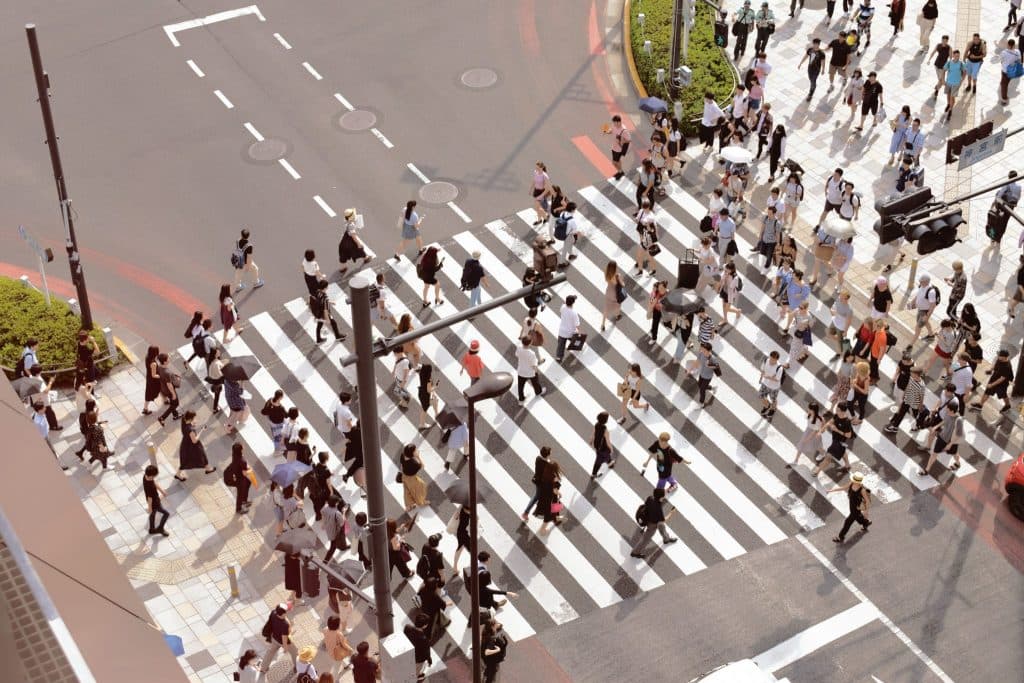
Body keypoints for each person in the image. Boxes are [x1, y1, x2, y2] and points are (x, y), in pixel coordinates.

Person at [630, 488, 678, 558]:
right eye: (664, 495)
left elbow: (646, 505)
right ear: (661, 497)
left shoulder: (650, 498)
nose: (664, 495)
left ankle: (666, 539)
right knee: (645, 539)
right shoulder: (658, 508)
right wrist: (671, 513)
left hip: (648, 518)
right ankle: (635, 552)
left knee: (662, 527)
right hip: (652, 524)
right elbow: (663, 520)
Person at [830, 472, 872, 543]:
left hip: (856, 508)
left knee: (848, 522)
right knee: (858, 518)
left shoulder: (862, 490)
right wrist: (833, 490)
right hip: (852, 507)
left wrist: (867, 511)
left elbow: (867, 501)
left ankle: (840, 537)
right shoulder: (851, 483)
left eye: (855, 481)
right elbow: (843, 487)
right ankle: (866, 523)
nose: (854, 481)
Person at [971, 349, 1015, 414]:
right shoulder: (999, 359)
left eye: (999, 355)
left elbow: (1002, 379)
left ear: (1004, 357)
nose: (998, 356)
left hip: (1002, 384)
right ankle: (980, 405)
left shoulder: (1007, 366)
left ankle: (1007, 405)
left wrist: (992, 385)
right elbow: (995, 364)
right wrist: (991, 370)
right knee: (987, 392)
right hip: (994, 378)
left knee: (1003, 395)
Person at [260, 604, 298, 673]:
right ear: (283, 614)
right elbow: (284, 638)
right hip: (283, 642)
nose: (287, 612)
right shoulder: (285, 624)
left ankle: (263, 668)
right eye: (286, 611)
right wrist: (285, 648)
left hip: (274, 637)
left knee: (270, 652)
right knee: (294, 653)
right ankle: (297, 667)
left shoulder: (273, 612)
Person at [905, 274, 939, 349]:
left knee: (918, 327)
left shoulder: (931, 292)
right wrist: (911, 303)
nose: (920, 282)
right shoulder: (921, 286)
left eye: (921, 281)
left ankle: (910, 345)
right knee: (925, 323)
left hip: (925, 312)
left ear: (926, 282)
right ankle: (931, 335)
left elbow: (932, 306)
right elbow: (918, 295)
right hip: (920, 309)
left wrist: (927, 316)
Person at [790, 402, 827, 467]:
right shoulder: (810, 414)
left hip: (814, 434)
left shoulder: (818, 419)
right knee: (801, 445)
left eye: (809, 409)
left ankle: (823, 453)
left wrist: (807, 439)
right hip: (808, 431)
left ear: (813, 410)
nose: (808, 409)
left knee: (817, 446)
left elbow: (815, 431)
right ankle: (796, 460)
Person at [338, 207, 372, 274]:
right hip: (350, 241)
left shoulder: (345, 221)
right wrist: (359, 244)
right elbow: (353, 236)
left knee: (343, 255)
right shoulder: (351, 225)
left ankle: (342, 268)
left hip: (344, 241)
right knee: (359, 249)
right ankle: (366, 258)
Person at [223, 443, 253, 514]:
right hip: (238, 478)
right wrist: (250, 470)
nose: (244, 447)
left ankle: (244, 501)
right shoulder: (242, 461)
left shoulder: (235, 455)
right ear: (241, 450)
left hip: (232, 475)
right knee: (240, 492)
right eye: (242, 447)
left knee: (248, 482)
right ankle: (239, 509)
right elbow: (244, 473)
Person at [232, 228, 264, 292]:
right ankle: (256, 282)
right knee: (255, 269)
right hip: (245, 262)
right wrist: (248, 266)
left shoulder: (238, 241)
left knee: (238, 273)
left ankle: (238, 286)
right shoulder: (249, 246)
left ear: (241, 235)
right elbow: (249, 257)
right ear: (248, 236)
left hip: (238, 259)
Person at [143, 465, 170, 536]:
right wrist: (150, 507)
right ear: (151, 475)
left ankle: (152, 529)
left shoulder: (145, 476)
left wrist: (162, 491)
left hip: (154, 500)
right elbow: (150, 498)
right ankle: (160, 528)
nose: (154, 477)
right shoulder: (150, 487)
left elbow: (153, 482)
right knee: (166, 514)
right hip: (155, 502)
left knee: (153, 514)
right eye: (154, 475)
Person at [404, 613, 432, 682]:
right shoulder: (424, 639)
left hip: (407, 654)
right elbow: (426, 653)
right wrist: (429, 660)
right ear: (424, 625)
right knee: (415, 672)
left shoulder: (407, 627)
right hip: (418, 659)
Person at [155, 352, 180, 426]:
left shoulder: (159, 367)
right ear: (165, 361)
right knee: (175, 404)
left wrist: (173, 375)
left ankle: (175, 415)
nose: (169, 359)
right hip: (169, 390)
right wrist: (173, 394)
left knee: (173, 403)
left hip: (163, 389)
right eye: (168, 358)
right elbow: (169, 384)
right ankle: (162, 418)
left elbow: (161, 377)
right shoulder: (167, 372)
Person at [400, 444, 427, 511]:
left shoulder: (402, 455)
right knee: (419, 489)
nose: (417, 451)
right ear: (412, 453)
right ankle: (421, 502)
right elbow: (422, 466)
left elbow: (402, 464)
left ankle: (408, 506)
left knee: (407, 491)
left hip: (404, 475)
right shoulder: (414, 464)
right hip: (412, 478)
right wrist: (418, 457)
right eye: (415, 450)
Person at [481, 618, 509, 683]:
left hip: (487, 659)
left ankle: (486, 675)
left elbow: (499, 626)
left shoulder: (485, 631)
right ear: (492, 627)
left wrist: (499, 625)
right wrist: (498, 650)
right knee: (491, 674)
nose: (497, 624)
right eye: (495, 623)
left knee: (490, 669)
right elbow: (487, 652)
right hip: (490, 660)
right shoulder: (491, 639)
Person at [635, 199, 658, 276]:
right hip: (643, 234)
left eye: (645, 207)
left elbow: (651, 229)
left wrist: (646, 224)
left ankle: (643, 270)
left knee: (648, 255)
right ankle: (641, 270)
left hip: (648, 237)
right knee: (644, 254)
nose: (644, 209)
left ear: (649, 207)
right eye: (643, 207)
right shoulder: (641, 211)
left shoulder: (651, 217)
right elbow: (637, 219)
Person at [589, 411, 616, 478]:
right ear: (605, 421)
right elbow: (608, 441)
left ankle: (610, 463)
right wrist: (611, 448)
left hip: (597, 445)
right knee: (599, 460)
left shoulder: (596, 425)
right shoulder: (605, 430)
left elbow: (594, 433)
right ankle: (593, 474)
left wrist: (591, 440)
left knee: (602, 456)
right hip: (603, 447)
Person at [555, 295, 581, 363]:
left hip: (562, 331)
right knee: (577, 339)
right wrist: (579, 332)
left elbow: (562, 310)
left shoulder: (563, 307)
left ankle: (559, 357)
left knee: (561, 345)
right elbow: (577, 325)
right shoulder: (574, 313)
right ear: (573, 303)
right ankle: (576, 347)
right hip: (571, 332)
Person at [943, 49, 967, 120]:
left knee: (951, 97)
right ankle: (948, 104)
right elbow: (944, 70)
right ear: (953, 55)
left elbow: (965, 71)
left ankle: (950, 110)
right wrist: (943, 80)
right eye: (956, 56)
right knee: (948, 95)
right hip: (948, 82)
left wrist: (962, 80)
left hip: (956, 84)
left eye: (958, 56)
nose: (957, 57)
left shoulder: (961, 64)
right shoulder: (949, 63)